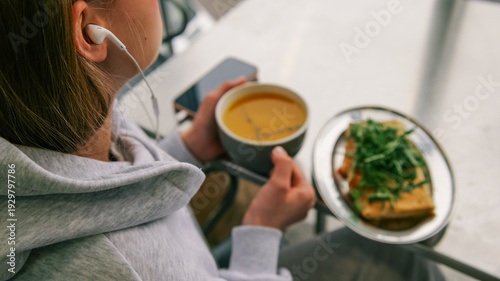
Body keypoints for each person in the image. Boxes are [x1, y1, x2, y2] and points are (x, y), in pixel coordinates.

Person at [0, 1, 444, 280]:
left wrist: (189, 146)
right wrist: (261, 234)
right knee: (406, 261)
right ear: (89, 32)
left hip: (202, 258)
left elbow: (110, 196)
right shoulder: (111, 267)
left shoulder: (71, 115)